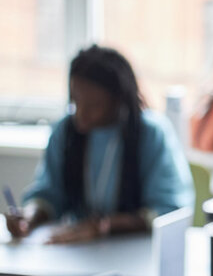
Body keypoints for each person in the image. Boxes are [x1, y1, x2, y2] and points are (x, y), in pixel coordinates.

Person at [4, 45, 194, 244]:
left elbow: (169, 211)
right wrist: (28, 216)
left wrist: (105, 226)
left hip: (136, 252)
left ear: (118, 101)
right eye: (76, 102)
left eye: (93, 106)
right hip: (75, 250)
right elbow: (49, 194)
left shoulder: (150, 133)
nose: (81, 114)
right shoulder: (66, 132)